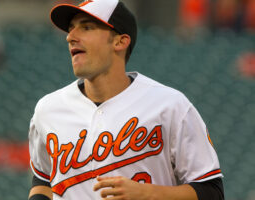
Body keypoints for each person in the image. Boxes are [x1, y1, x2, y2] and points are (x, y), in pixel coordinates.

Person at [28, 0, 224, 199]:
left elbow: (212, 191)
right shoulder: (48, 110)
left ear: (120, 42)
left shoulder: (170, 105)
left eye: (86, 27)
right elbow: (43, 180)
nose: (70, 37)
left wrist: (148, 193)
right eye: (70, 29)